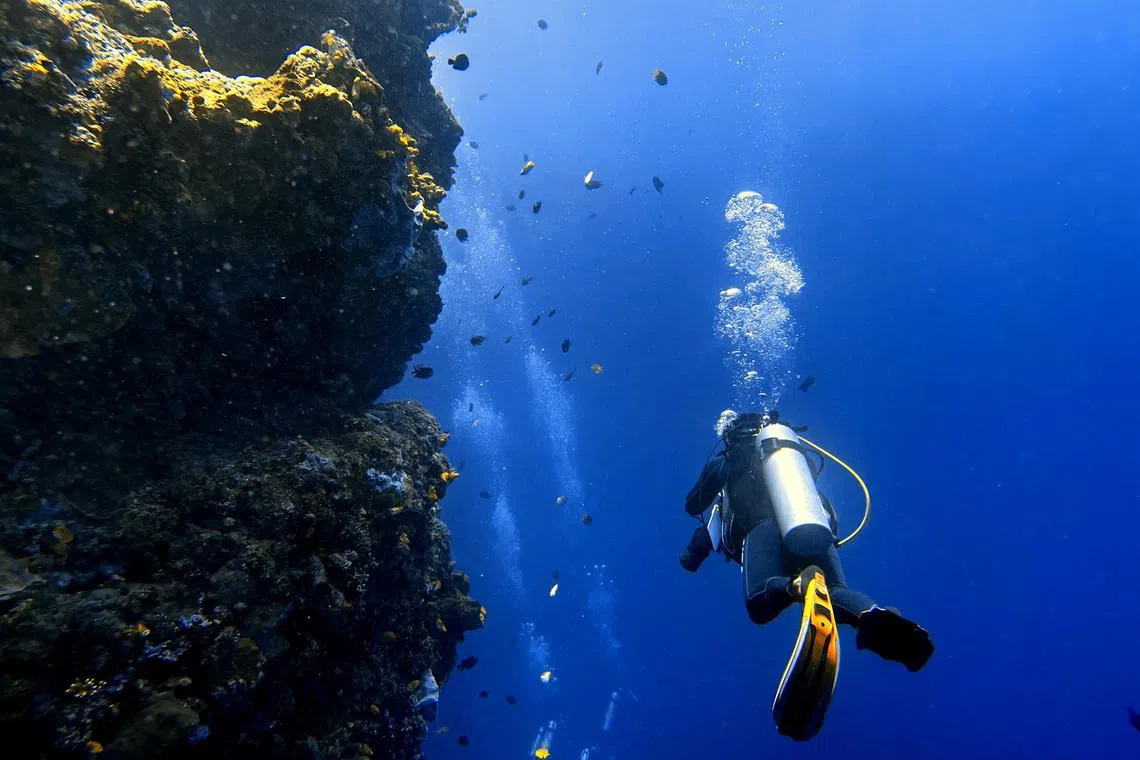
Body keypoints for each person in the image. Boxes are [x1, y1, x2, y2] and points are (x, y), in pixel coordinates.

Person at [680, 410, 933, 737]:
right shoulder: (785, 453)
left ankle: (798, 585)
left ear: (729, 435)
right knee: (836, 591)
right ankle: (873, 614)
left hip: (762, 528)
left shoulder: (729, 461)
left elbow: (692, 506)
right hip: (812, 525)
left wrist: (691, 554)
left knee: (759, 603)